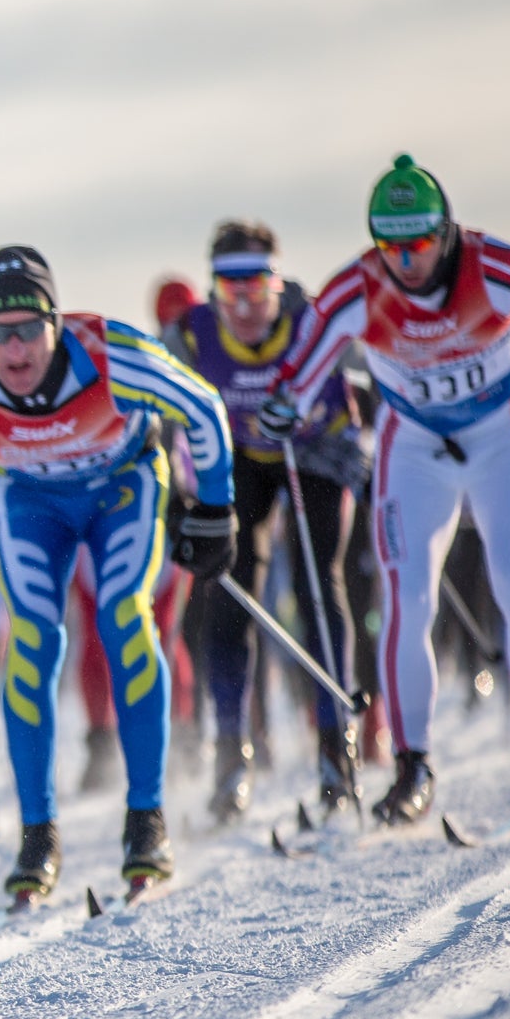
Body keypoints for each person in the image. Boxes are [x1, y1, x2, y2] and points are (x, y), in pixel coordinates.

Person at [264, 155, 510, 823]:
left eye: (418, 244)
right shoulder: (356, 288)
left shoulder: (496, 268)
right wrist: (284, 407)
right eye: (389, 245)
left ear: (446, 233)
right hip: (414, 441)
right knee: (406, 595)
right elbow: (297, 375)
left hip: (501, 432)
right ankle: (411, 765)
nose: (404, 261)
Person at [0, 246, 235, 904]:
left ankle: (146, 821)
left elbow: (201, 406)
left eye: (28, 327)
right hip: (31, 501)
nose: (14, 347)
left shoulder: (110, 353)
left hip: (123, 487)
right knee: (34, 639)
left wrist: (216, 510)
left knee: (123, 618)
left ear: (55, 324)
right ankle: (37, 836)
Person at [175, 221, 367, 820]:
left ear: (276, 285)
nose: (244, 304)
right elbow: (155, 404)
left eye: (256, 287)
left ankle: (338, 751)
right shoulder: (191, 332)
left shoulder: (311, 319)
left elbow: (379, 363)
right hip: (244, 460)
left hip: (319, 452)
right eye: (229, 289)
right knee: (229, 596)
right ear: (212, 289)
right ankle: (232, 756)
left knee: (318, 588)